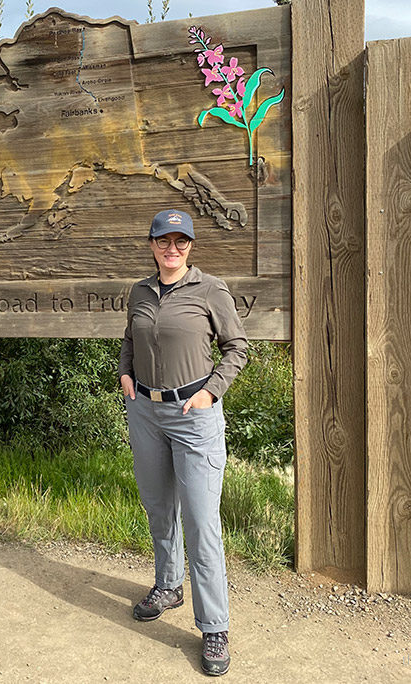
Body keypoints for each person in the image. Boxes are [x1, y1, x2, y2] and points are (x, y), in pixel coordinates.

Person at [118, 209, 248, 676]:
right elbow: (129, 339)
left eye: (181, 241)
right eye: (163, 240)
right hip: (147, 413)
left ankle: (214, 625)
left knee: (200, 522)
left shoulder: (210, 289)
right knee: (158, 508)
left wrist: (211, 391)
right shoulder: (138, 292)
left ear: (191, 247)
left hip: (195, 417)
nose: (172, 249)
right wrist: (125, 374)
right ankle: (169, 585)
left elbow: (237, 347)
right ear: (151, 243)